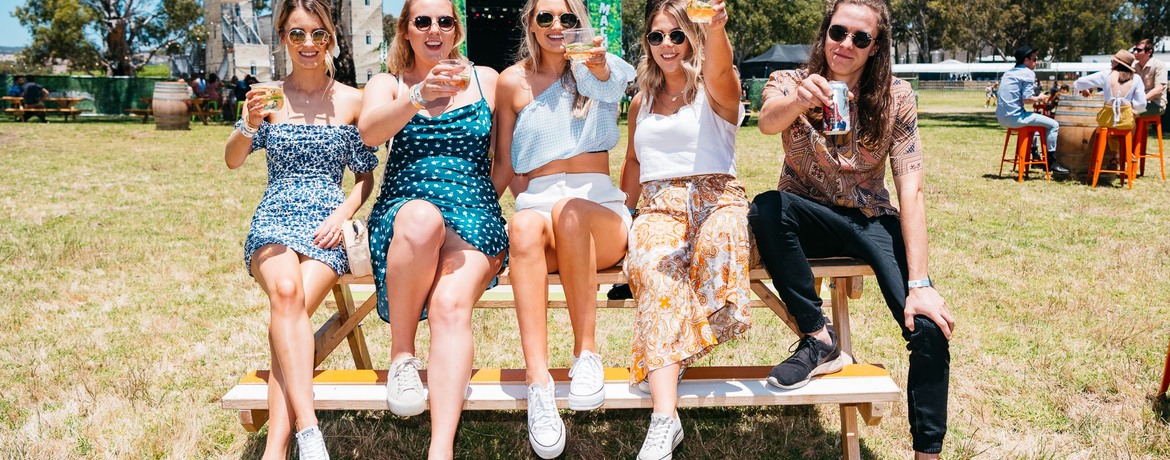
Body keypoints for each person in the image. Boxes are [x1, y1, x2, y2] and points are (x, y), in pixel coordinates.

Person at [748, 0, 954, 457]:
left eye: (860, 38)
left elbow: (911, 190)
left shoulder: (896, 97)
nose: (846, 44)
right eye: (838, 32)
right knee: (766, 207)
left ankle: (927, 453)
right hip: (805, 214)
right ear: (825, 32)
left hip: (869, 218)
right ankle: (818, 336)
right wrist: (801, 99)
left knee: (929, 327)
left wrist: (919, 283)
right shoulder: (790, 82)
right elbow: (766, 122)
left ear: (875, 46)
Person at [224, 0, 378, 458]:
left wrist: (345, 213)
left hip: (328, 224)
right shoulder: (267, 96)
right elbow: (232, 160)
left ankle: (276, 448)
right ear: (283, 39)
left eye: (317, 34)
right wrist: (248, 124)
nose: (308, 44)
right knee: (287, 296)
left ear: (330, 38)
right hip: (275, 215)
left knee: (284, 322)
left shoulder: (354, 99)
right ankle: (308, 429)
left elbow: (365, 175)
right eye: (297, 34)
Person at [357, 0, 505, 458]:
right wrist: (417, 95)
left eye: (445, 21)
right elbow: (368, 133)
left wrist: (481, 204)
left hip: (474, 212)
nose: (434, 29)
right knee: (423, 219)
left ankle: (440, 449)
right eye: (423, 21)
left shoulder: (487, 79)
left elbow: (502, 161)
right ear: (406, 31)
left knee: (448, 305)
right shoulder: (388, 83)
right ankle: (402, 355)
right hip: (406, 213)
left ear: (457, 30)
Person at [490, 0, 636, 457]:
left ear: (581, 22)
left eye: (567, 18)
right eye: (546, 17)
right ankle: (539, 385)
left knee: (570, 212)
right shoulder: (510, 81)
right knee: (523, 227)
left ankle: (585, 354)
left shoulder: (600, 64)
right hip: (539, 204)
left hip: (597, 210)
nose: (557, 26)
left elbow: (615, 84)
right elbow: (504, 163)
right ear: (529, 23)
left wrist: (593, 61)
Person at [619, 0, 750, 458]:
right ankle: (663, 418)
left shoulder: (716, 91)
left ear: (692, 39)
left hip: (717, 198)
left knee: (719, 241)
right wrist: (624, 216)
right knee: (655, 271)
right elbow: (634, 164)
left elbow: (721, 70)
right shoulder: (641, 101)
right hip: (658, 206)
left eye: (677, 35)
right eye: (657, 36)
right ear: (647, 44)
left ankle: (677, 345)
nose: (667, 45)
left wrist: (715, 28)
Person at [996, 45, 1068, 174]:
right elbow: (1027, 99)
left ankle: (1035, 155)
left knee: (1034, 126)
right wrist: (1040, 98)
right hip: (1016, 118)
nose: (1036, 63)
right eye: (1034, 60)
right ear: (1026, 60)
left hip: (1001, 118)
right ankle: (1051, 162)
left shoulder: (1008, 72)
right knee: (1053, 125)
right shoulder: (1028, 73)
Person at [1074, 49, 1147, 169]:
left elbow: (1079, 83)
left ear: (1117, 63)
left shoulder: (1106, 75)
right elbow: (1141, 104)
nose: (1111, 63)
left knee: (1111, 126)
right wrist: (1130, 107)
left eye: (1113, 61)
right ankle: (1126, 152)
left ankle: (1114, 157)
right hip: (1125, 122)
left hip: (1106, 121)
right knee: (1131, 122)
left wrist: (1084, 88)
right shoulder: (1137, 79)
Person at [1133, 39, 1167, 118]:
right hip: (1139, 104)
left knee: (1131, 113)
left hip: (1156, 105)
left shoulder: (1159, 66)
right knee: (1122, 110)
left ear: (1149, 52)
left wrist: (1140, 100)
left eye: (1139, 50)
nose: (1135, 52)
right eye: (1135, 50)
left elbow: (1158, 89)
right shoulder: (1134, 66)